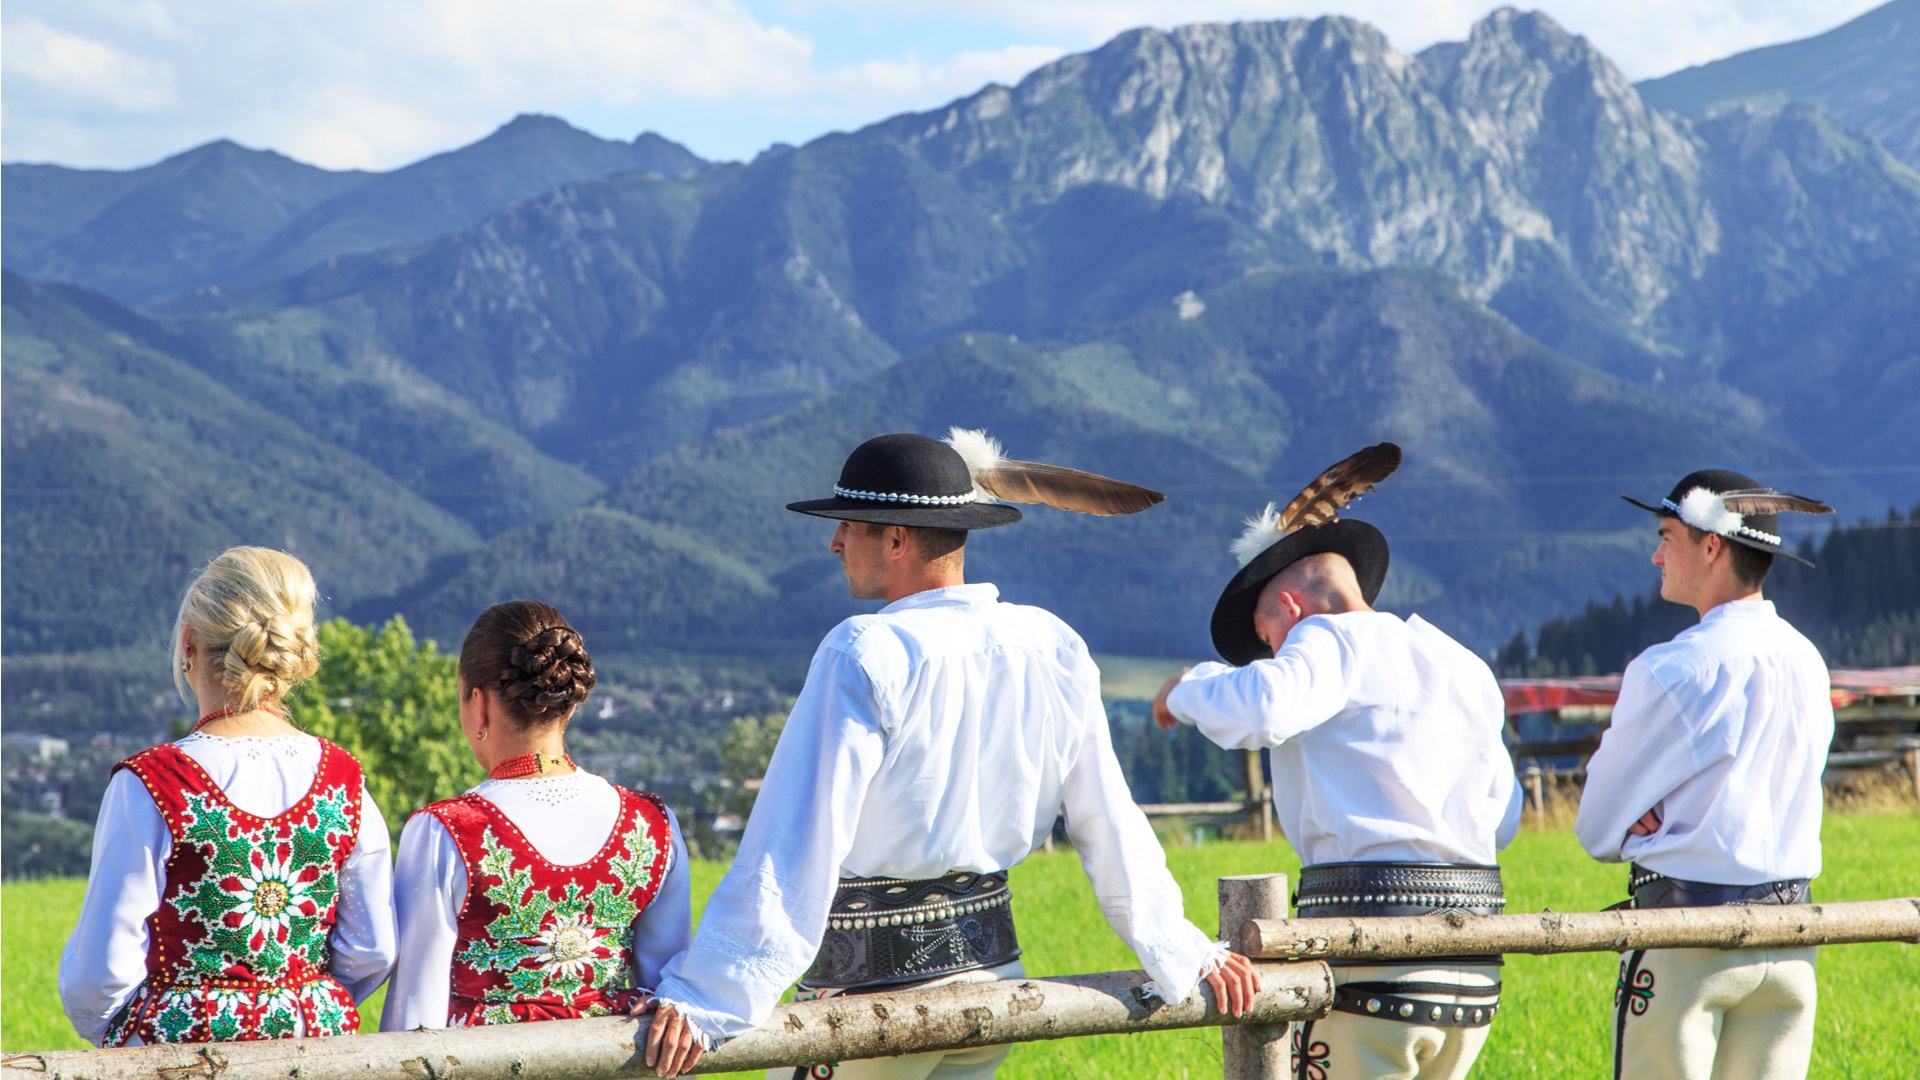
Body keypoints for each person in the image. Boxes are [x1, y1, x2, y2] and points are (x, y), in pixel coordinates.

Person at [641, 430, 1260, 1078]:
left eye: (848, 525)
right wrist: (1181, 949)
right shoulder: (1052, 645)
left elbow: (794, 843)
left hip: (870, 1010)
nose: (834, 542)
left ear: (897, 539)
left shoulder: (864, 652)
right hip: (995, 993)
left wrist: (705, 997)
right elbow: (1108, 821)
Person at [1151, 443, 1522, 1080]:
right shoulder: (1463, 663)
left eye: (1270, 643)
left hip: (1370, 959)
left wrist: (1186, 688)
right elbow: (1507, 820)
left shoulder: (1326, 638)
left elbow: (1264, 707)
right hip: (1474, 964)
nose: (1274, 656)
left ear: (1291, 610)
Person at [58, 546, 396, 1045]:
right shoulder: (344, 781)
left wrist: (139, 1029)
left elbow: (100, 972)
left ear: (189, 642)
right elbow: (372, 949)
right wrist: (296, 999)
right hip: (315, 1044)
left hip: (183, 1051)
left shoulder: (153, 783)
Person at [1577, 470, 1834, 1080]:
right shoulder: (1808, 660)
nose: (1656, 553)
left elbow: (1596, 827)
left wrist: (1648, 816)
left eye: (1668, 536)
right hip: (1793, 941)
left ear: (1711, 545)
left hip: (1686, 944)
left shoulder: (1671, 669)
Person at [382, 600, 691, 1029]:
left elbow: (415, 1013)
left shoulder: (446, 831)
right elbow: (669, 991)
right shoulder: (653, 823)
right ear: (569, 700)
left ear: (478, 705)